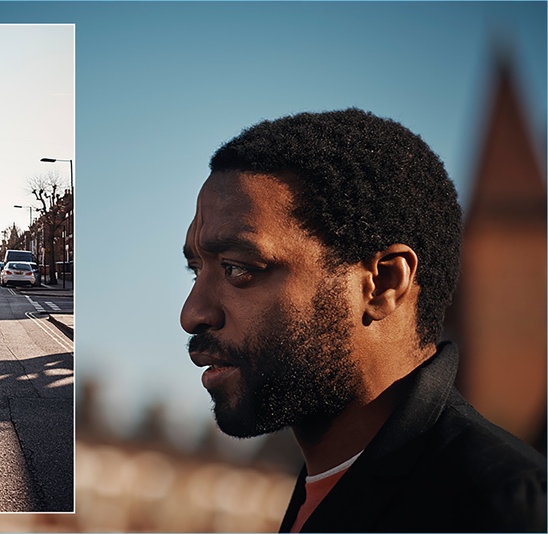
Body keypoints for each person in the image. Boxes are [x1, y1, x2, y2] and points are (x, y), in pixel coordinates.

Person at [181, 109, 546, 532]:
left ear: (384, 282)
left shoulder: (503, 508)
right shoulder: (322, 491)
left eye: (238, 268)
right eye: (196, 269)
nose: (193, 313)